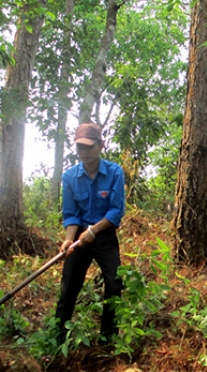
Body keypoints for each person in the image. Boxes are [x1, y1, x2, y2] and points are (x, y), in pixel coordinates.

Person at [55, 123, 126, 345]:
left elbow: (116, 211)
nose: (84, 152)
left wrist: (93, 231)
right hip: (79, 238)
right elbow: (71, 213)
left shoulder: (114, 173)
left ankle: (108, 337)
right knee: (69, 287)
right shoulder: (69, 177)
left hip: (103, 235)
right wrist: (69, 240)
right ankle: (57, 338)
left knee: (114, 283)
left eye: (88, 147)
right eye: (80, 148)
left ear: (100, 146)